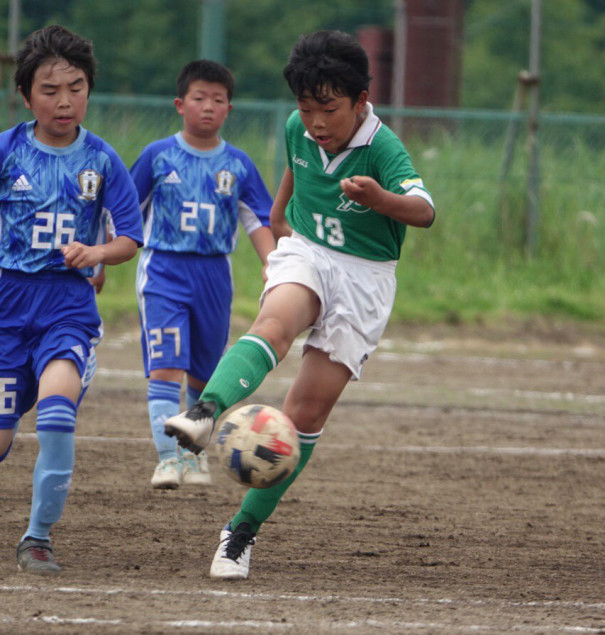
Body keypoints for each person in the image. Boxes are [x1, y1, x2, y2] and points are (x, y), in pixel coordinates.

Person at [165, 29, 436, 580]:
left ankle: (240, 533)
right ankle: (204, 412)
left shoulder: (382, 147)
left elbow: (424, 210)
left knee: (305, 414)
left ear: (362, 100)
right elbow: (296, 160)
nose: (315, 121)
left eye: (329, 109)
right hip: (309, 253)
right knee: (276, 322)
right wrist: (278, 215)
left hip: (365, 279)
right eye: (306, 107)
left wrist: (380, 198)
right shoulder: (298, 127)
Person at [0, 25, 143, 574]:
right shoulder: (9, 151)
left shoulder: (103, 161)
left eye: (76, 87)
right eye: (50, 90)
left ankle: (37, 537)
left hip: (66, 309)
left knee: (58, 414)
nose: (65, 101)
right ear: (26, 95)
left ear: (89, 89)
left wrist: (97, 253)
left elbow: (129, 238)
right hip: (8, 310)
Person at [130, 60, 274, 490]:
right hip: (164, 272)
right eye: (199, 98)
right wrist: (98, 260)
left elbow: (258, 220)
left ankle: (193, 458)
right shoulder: (158, 157)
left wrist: (273, 264)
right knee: (166, 368)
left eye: (218, 99)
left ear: (229, 108)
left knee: (204, 376)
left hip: (214, 276)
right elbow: (123, 215)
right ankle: (166, 459)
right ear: (180, 104)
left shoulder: (239, 164)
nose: (208, 107)